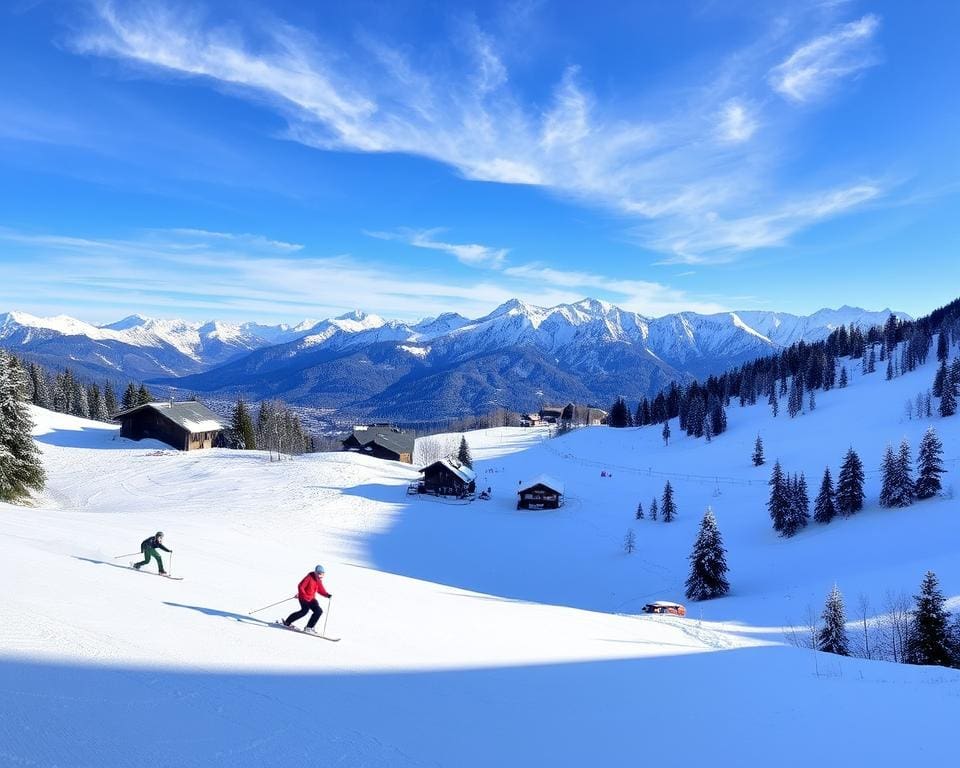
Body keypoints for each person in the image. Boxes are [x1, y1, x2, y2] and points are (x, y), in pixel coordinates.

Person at [283, 565, 333, 634]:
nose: (320, 575)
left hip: (311, 599)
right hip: (303, 598)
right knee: (304, 611)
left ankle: (309, 627)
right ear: (315, 572)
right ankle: (287, 622)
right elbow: (300, 586)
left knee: (318, 611)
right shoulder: (309, 577)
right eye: (319, 573)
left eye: (322, 574)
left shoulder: (318, 580)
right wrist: (303, 595)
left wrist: (326, 595)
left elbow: (320, 589)